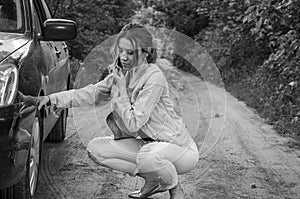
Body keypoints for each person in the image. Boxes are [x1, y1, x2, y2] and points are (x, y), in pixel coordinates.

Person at [30, 23, 199, 199]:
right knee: (97, 149)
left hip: (180, 150)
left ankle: (174, 187)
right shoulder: (122, 75)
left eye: (130, 52)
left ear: (145, 52)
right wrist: (51, 99)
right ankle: (152, 179)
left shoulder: (154, 77)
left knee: (148, 156)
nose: (124, 57)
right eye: (121, 51)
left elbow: (133, 124)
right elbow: (90, 93)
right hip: (150, 146)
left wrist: (122, 91)